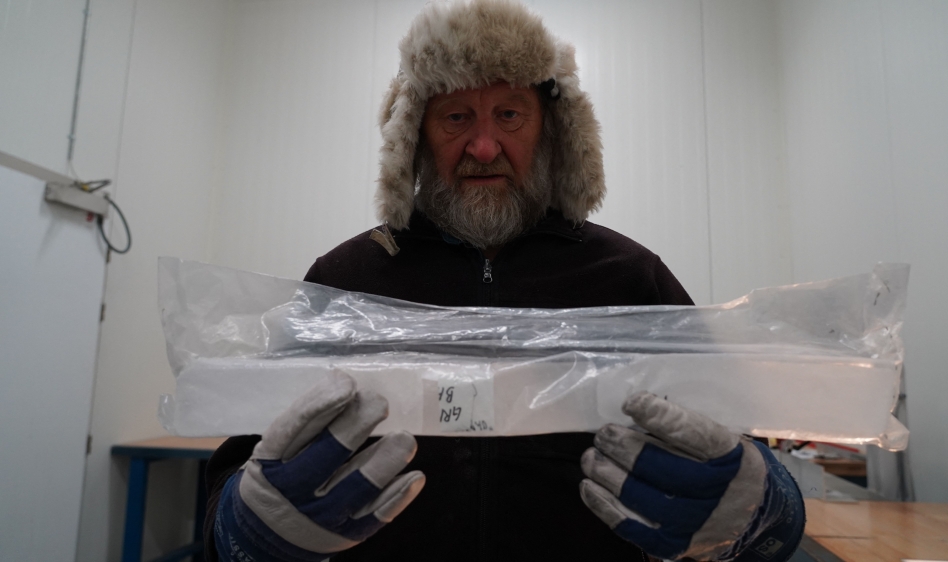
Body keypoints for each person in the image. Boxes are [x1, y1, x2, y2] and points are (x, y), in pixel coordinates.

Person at [204, 1, 805, 561]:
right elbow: (232, 489)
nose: (484, 146)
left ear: (552, 130)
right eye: (456, 117)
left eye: (510, 114)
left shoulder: (629, 278)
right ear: (414, 136)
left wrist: (761, 510)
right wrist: (248, 527)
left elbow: (741, 462)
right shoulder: (346, 282)